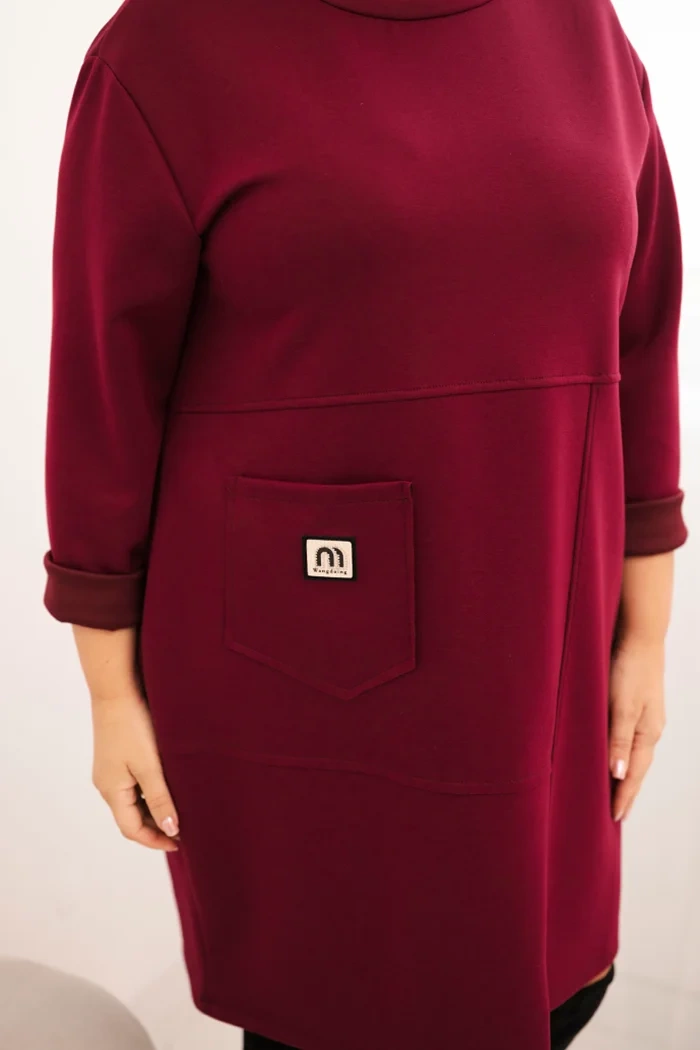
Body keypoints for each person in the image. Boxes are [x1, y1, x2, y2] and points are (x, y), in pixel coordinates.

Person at [41, 1, 688, 1048]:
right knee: (338, 1006)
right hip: (304, 676)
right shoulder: (167, 49)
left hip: (548, 643)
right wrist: (111, 693)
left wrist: (646, 634)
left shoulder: (579, 27)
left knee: (556, 987)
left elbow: (642, 336)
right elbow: (103, 395)